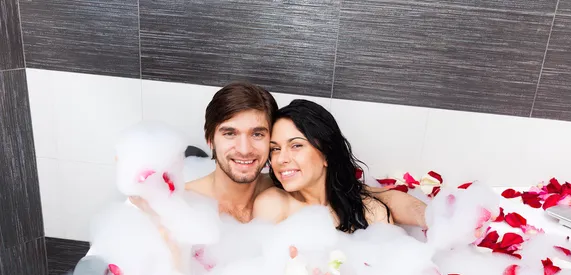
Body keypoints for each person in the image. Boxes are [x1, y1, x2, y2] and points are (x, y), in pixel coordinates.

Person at [132, 81, 427, 229]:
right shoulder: (182, 206)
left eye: (258, 135)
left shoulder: (283, 184)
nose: (245, 149)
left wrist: (439, 219)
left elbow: (370, 195)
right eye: (230, 133)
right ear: (210, 139)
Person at [253, 99, 391, 232]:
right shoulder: (273, 206)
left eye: (296, 145)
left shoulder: (372, 212)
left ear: (326, 153)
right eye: (275, 149)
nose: (281, 159)